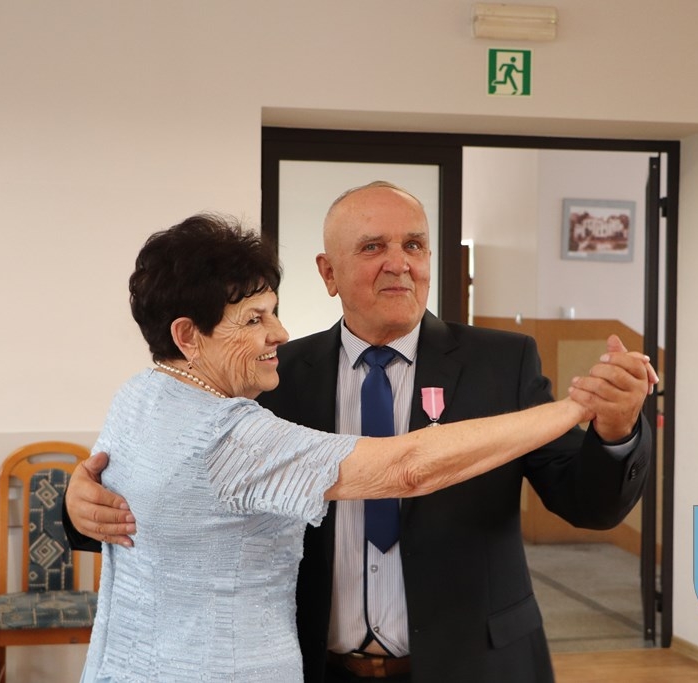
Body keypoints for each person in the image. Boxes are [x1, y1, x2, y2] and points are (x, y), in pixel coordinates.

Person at [67, 185, 657, 683]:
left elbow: (588, 504)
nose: (399, 263)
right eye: (373, 247)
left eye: (414, 245)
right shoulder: (269, 377)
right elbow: (179, 485)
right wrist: (78, 504)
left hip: (471, 664)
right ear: (328, 272)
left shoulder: (503, 362)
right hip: (318, 666)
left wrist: (614, 429)